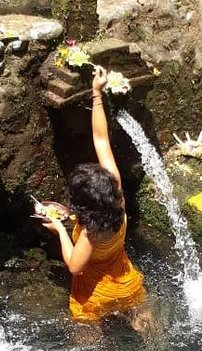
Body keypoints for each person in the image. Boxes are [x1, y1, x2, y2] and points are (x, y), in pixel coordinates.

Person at [42, 66, 150, 334]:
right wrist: (96, 93)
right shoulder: (119, 196)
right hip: (127, 284)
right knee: (148, 328)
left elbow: (75, 267)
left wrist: (59, 230)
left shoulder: (91, 233)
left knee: (87, 341)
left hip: (96, 294)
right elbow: (101, 141)